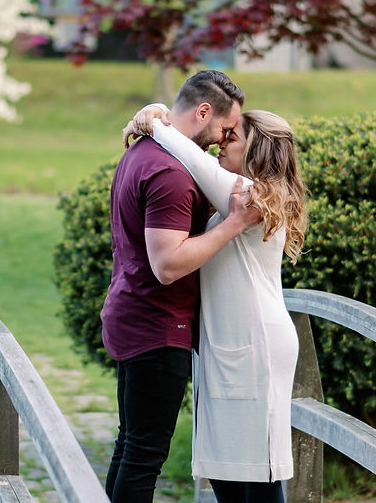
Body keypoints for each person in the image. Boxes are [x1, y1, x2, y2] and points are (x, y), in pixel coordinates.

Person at [124, 104, 309, 503]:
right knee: (225, 472)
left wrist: (156, 121)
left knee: (258, 475)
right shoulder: (236, 195)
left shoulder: (252, 196)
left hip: (254, 343)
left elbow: (188, 153)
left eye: (232, 138)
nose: (220, 143)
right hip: (227, 344)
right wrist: (160, 113)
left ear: (257, 151)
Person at [102, 69, 261, 503]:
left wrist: (153, 116)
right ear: (204, 111)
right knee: (143, 455)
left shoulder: (146, 150)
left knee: (131, 446)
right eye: (226, 128)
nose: (224, 139)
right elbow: (168, 265)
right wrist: (233, 224)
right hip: (157, 326)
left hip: (135, 315)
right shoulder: (170, 172)